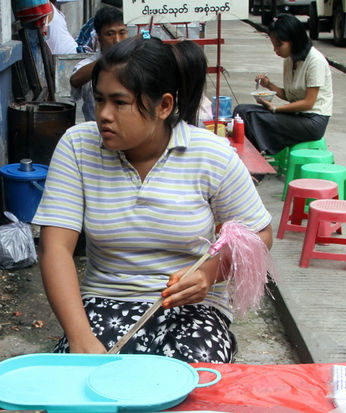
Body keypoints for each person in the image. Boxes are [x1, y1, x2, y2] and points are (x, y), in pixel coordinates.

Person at [32, 37, 274, 363]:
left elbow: (259, 236)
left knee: (194, 388)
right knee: (85, 394)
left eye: (119, 103)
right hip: (104, 302)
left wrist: (207, 275)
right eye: (99, 99)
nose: (103, 114)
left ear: (164, 106)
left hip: (191, 307)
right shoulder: (78, 146)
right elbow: (55, 246)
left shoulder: (212, 156)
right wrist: (79, 337)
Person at [233, 14, 333, 155]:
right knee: (241, 111)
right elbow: (290, 95)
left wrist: (275, 109)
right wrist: (269, 85)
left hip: (313, 121)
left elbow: (308, 103)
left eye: (279, 45)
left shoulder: (315, 61)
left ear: (294, 40)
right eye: (274, 45)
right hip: (296, 115)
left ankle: (257, 160)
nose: (276, 50)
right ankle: (255, 156)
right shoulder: (290, 60)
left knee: (252, 117)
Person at [69, 6, 128, 121]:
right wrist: (109, 59)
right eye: (110, 34)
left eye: (122, 33)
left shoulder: (136, 62)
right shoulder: (89, 64)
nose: (117, 40)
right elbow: (75, 80)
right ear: (99, 37)